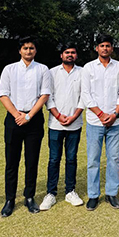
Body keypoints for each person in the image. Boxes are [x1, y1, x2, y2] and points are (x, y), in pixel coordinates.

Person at [0, 36, 52, 216]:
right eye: (25, 48)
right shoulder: (9, 69)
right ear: (20, 50)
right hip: (13, 119)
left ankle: (29, 197)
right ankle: (9, 199)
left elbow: (44, 95)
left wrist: (28, 116)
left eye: (32, 48)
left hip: (34, 119)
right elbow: (3, 94)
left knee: (32, 160)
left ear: (35, 51)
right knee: (11, 162)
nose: (28, 51)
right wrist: (18, 115)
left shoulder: (42, 69)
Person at [81, 34, 119, 211]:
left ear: (112, 48)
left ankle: (111, 193)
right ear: (96, 48)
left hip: (115, 122)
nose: (105, 48)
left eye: (108, 45)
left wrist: (115, 114)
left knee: (114, 159)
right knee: (93, 159)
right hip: (95, 121)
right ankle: (93, 195)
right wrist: (100, 114)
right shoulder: (89, 68)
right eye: (102, 46)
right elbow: (86, 94)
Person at [40, 44, 85, 211]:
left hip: (75, 123)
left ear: (76, 55)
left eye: (73, 52)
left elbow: (84, 96)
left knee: (71, 158)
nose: (70, 55)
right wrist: (58, 115)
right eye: (67, 52)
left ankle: (70, 191)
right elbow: (47, 96)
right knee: (54, 159)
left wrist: (74, 116)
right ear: (61, 55)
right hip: (55, 123)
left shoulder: (82, 72)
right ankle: (50, 193)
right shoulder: (51, 72)